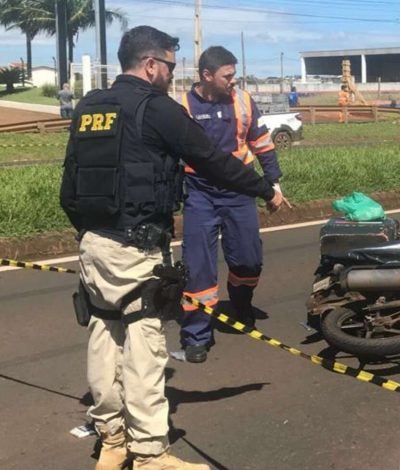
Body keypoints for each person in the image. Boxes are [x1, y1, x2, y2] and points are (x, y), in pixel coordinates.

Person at [60, 26, 285, 470]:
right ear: (150, 65)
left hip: (92, 244)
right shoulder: (157, 108)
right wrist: (264, 188)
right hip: (136, 245)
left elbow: (70, 186)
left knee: (105, 338)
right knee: (144, 348)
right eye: (167, 64)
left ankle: (111, 439)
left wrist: (89, 234)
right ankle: (148, 455)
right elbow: (214, 161)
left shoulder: (89, 109)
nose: (170, 73)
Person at [178, 46, 290, 364]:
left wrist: (274, 182)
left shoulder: (242, 101)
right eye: (228, 75)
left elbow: (262, 142)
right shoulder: (183, 106)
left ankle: (241, 303)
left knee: (248, 260)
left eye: (234, 74)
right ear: (207, 76)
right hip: (200, 195)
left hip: (240, 192)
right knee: (198, 268)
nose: (234, 80)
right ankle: (197, 336)